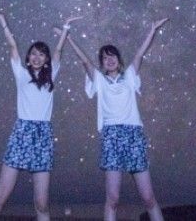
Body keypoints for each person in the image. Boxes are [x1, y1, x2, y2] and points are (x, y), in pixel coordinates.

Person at [61, 18, 169, 221]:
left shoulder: (129, 76)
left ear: (118, 60)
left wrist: (152, 29)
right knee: (113, 198)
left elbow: (140, 54)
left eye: (112, 56)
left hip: (133, 134)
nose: (109, 60)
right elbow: (84, 60)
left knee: (148, 197)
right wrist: (67, 35)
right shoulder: (100, 81)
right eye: (104, 58)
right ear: (101, 63)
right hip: (111, 136)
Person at [0, 9, 80, 221]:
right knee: (1, 196)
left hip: (43, 134)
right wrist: (3, 22)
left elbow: (59, 50)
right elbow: (12, 45)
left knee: (42, 204)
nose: (36, 57)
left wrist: (65, 28)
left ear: (46, 60)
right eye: (33, 53)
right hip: (22, 132)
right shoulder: (21, 73)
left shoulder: (51, 74)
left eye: (41, 54)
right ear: (29, 57)